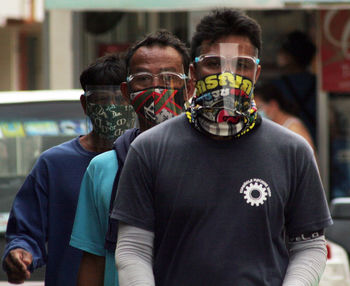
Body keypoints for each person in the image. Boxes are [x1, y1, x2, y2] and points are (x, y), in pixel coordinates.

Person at [112, 9, 333, 286]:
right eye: (214, 63)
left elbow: (309, 246)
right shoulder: (150, 149)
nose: (228, 76)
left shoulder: (292, 150)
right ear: (193, 72)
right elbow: (133, 247)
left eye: (241, 65)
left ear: (257, 72)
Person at [69, 30, 191, 286]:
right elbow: (93, 260)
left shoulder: (212, 161)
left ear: (189, 87)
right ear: (127, 92)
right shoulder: (102, 168)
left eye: (169, 77)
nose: (158, 88)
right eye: (144, 79)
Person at [2, 54, 134, 286]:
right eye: (103, 100)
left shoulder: (148, 158)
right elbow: (26, 231)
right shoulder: (54, 164)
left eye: (121, 99)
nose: (113, 109)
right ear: (86, 105)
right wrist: (20, 252)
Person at [273, 30, 317, 145]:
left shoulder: (277, 86)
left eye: (282, 51)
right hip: (318, 142)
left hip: (290, 145)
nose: (278, 54)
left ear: (290, 57)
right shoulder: (318, 83)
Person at [254, 81, 315, 151]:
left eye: (258, 107)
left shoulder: (294, 128)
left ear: (273, 105)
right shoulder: (273, 127)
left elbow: (307, 158)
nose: (256, 111)